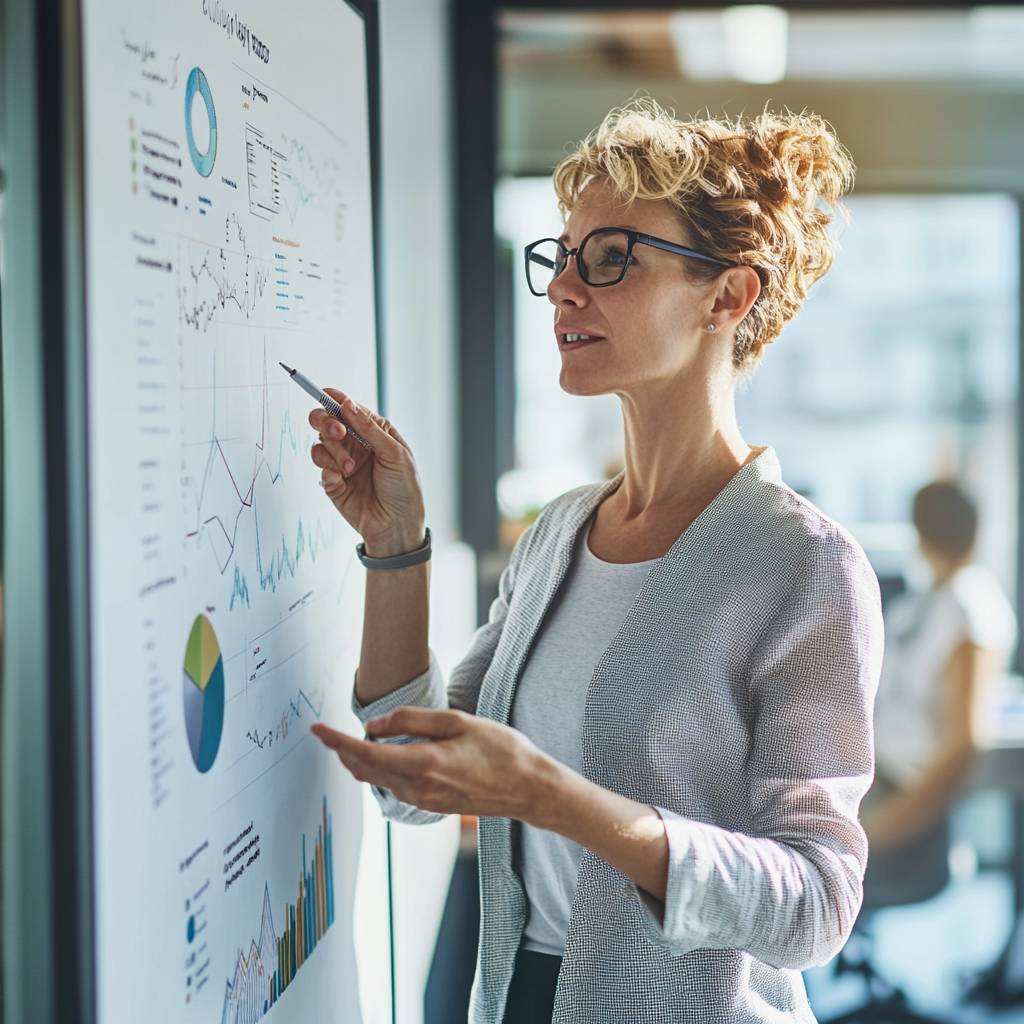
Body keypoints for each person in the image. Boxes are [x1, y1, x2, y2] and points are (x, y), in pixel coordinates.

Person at [308, 98, 884, 1023]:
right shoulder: (557, 534)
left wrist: (555, 798)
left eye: (612, 257)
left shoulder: (803, 563)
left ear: (727, 297)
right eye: (563, 257)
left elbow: (816, 904)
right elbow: (415, 771)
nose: (564, 288)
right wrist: (393, 543)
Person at [861, 481, 1016, 895]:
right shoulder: (922, 604)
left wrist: (878, 829)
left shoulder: (970, 607)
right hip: (873, 783)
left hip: (902, 801)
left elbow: (964, 743)